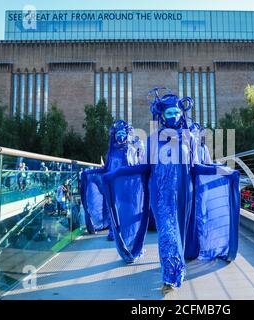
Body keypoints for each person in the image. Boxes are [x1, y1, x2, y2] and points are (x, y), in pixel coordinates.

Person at [101, 88, 239, 293]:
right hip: (160, 195)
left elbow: (196, 167)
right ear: (161, 116)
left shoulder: (189, 139)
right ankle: (170, 277)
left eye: (176, 113)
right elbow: (146, 168)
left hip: (184, 195)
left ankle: (175, 270)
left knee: (178, 235)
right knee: (167, 232)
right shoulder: (152, 139)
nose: (173, 117)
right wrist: (118, 172)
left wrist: (223, 170)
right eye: (169, 113)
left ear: (181, 114)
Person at [80, 120, 142, 240]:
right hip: (113, 185)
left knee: (126, 208)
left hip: (127, 186)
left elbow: (137, 165)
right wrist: (90, 172)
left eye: (123, 132)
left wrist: (140, 148)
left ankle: (127, 231)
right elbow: (106, 168)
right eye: (118, 133)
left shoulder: (131, 150)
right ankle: (113, 231)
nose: (120, 135)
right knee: (112, 208)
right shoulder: (112, 152)